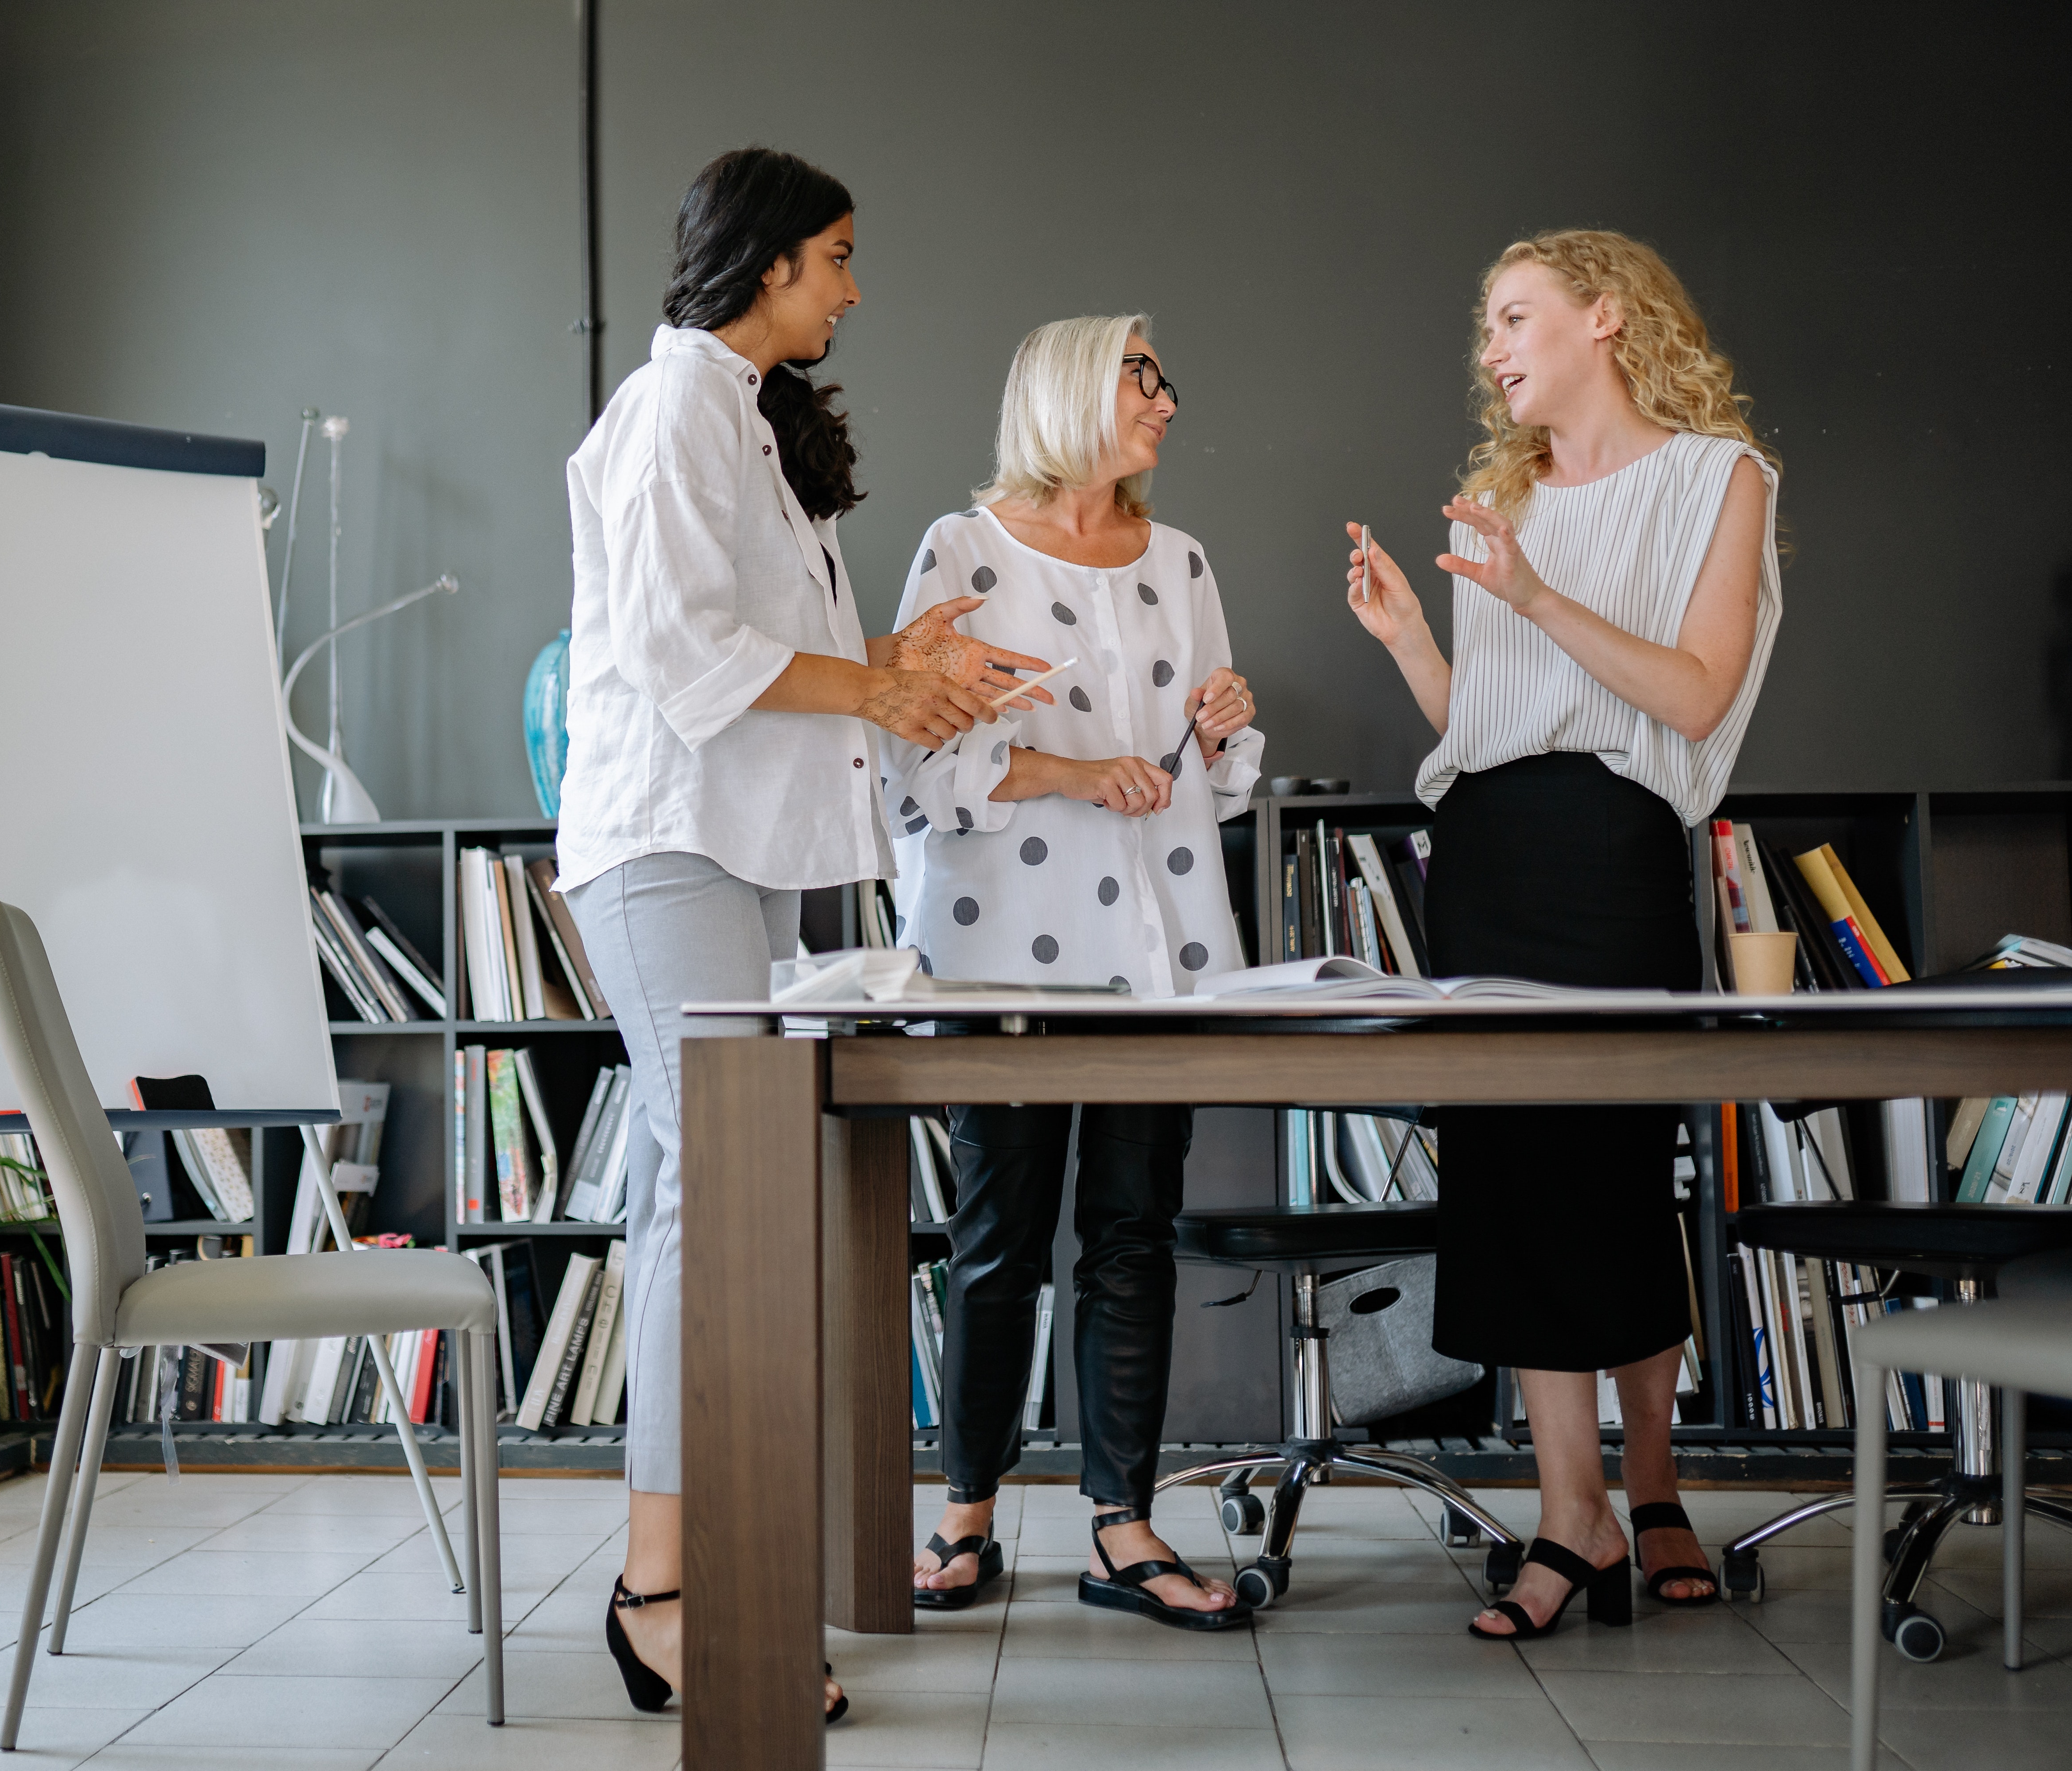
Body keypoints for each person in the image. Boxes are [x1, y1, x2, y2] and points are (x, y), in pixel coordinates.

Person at [555, 146, 1058, 1719]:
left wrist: (893, 658)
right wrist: (878, 683)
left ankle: (689, 1578)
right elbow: (683, 650)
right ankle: (663, 1596)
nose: (852, 284)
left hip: (727, 851)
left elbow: (769, 648)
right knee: (712, 1201)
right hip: (663, 847)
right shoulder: (674, 408)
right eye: (837, 255)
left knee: (699, 1206)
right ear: (770, 262)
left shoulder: (742, 421)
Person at [1344, 228, 1782, 1639]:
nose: (1491, 346)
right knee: (1514, 1178)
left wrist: (1535, 597)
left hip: (1611, 849)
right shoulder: (1498, 493)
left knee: (1605, 1170)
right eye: (1485, 325)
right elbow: (1486, 730)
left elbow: (1696, 696)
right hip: (1483, 849)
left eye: (1514, 316)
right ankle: (1569, 1515)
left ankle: (1651, 1486)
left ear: (1606, 318)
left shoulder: (1723, 477)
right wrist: (1421, 644)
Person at [885, 315, 1262, 1628]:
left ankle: (1123, 1525)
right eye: (1142, 374)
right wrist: (1065, 771)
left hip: (1158, 952)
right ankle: (966, 1514)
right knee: (996, 1246)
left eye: (1163, 373)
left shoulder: (1186, 558)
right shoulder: (962, 550)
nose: (1167, 396)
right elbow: (915, 764)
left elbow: (1208, 771)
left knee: (1132, 1236)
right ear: (1069, 393)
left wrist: (1224, 727)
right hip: (1006, 957)